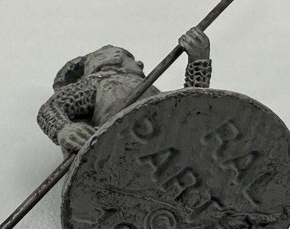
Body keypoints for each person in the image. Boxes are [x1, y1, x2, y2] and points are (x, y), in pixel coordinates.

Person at [38, 28, 211, 154]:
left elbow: (189, 111)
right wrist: (64, 129)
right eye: (130, 58)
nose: (140, 64)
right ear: (111, 61)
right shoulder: (101, 82)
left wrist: (198, 61)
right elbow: (51, 108)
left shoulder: (145, 87)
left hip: (169, 150)